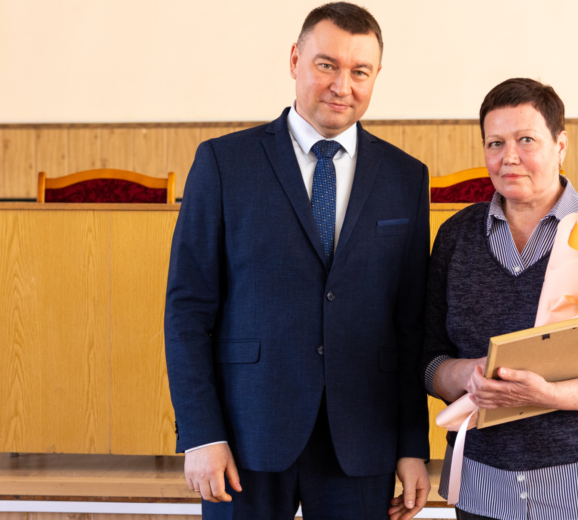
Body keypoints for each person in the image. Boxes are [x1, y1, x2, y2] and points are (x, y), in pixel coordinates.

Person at [164, 3, 431, 519]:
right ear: (294, 60)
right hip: (246, 434)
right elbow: (188, 311)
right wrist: (201, 433)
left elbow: (409, 325)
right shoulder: (223, 162)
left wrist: (410, 445)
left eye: (360, 71)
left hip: (363, 437)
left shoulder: (406, 177)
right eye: (326, 65)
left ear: (377, 75)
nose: (342, 86)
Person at [419, 78, 578, 520]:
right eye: (495, 143)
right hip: (484, 489)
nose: (509, 157)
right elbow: (430, 363)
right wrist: (470, 374)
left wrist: (549, 394)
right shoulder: (456, 237)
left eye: (526, 140)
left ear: (560, 145)